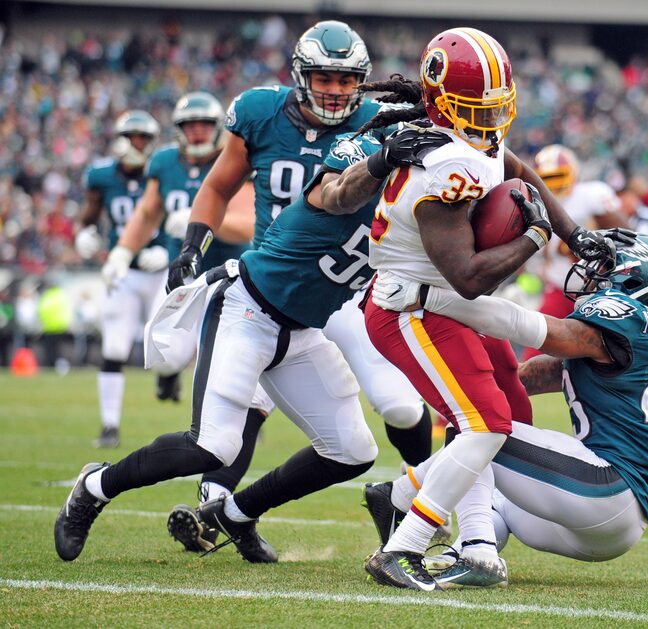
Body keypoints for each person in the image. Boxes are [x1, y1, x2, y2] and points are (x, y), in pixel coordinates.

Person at [53, 128, 447, 564]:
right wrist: (381, 161)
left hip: (303, 332)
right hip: (247, 310)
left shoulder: (422, 200)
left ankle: (237, 514)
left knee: (353, 453)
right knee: (212, 445)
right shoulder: (355, 167)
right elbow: (339, 195)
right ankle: (94, 487)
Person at [338, 27, 620, 591]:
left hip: (443, 304)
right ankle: (405, 545)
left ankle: (476, 545)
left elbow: (519, 171)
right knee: (484, 422)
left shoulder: (474, 145)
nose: (489, 124)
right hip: (412, 307)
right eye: (475, 111)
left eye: (495, 110)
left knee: (509, 411)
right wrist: (536, 236)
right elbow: (467, 278)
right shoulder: (443, 164)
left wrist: (575, 235)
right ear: (444, 104)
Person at [163, 21, 437, 551]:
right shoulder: (262, 113)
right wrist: (191, 247)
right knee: (247, 403)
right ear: (300, 76)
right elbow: (218, 186)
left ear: (360, 80)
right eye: (322, 77)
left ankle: (419, 500)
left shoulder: (381, 122)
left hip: (349, 289)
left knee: (402, 408)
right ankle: (213, 505)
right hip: (273, 285)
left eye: (344, 78)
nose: (334, 89)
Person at [365, 231, 648, 587]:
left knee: (477, 427)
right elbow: (530, 377)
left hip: (605, 488)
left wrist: (432, 298)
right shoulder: (628, 338)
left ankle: (414, 506)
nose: (592, 270)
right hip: (613, 523)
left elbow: (542, 331)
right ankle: (469, 552)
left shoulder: (629, 315)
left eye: (607, 264)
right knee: (488, 479)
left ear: (634, 278)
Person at [101, 92, 267, 551]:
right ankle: (216, 501)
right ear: (178, 128)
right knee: (166, 356)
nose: (196, 131)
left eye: (203, 123)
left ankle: (213, 503)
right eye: (189, 124)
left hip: (236, 284)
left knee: (245, 402)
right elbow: (144, 214)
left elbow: (245, 223)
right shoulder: (164, 164)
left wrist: (196, 223)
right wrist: (121, 252)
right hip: (188, 280)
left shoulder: (236, 157)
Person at [73, 110, 163, 448]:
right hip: (122, 271)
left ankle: (168, 380)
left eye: (145, 138)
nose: (140, 144)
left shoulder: (162, 171)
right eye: (134, 137)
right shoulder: (101, 176)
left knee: (170, 348)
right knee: (113, 346)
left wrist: (168, 252)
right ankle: (110, 425)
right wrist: (84, 234)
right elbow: (88, 217)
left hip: (159, 271)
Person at [521, 144, 629, 360]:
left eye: (558, 175)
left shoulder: (592, 194)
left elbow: (624, 231)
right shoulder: (532, 201)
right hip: (559, 286)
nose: (553, 183)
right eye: (547, 177)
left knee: (611, 352)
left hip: (598, 289)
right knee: (533, 346)